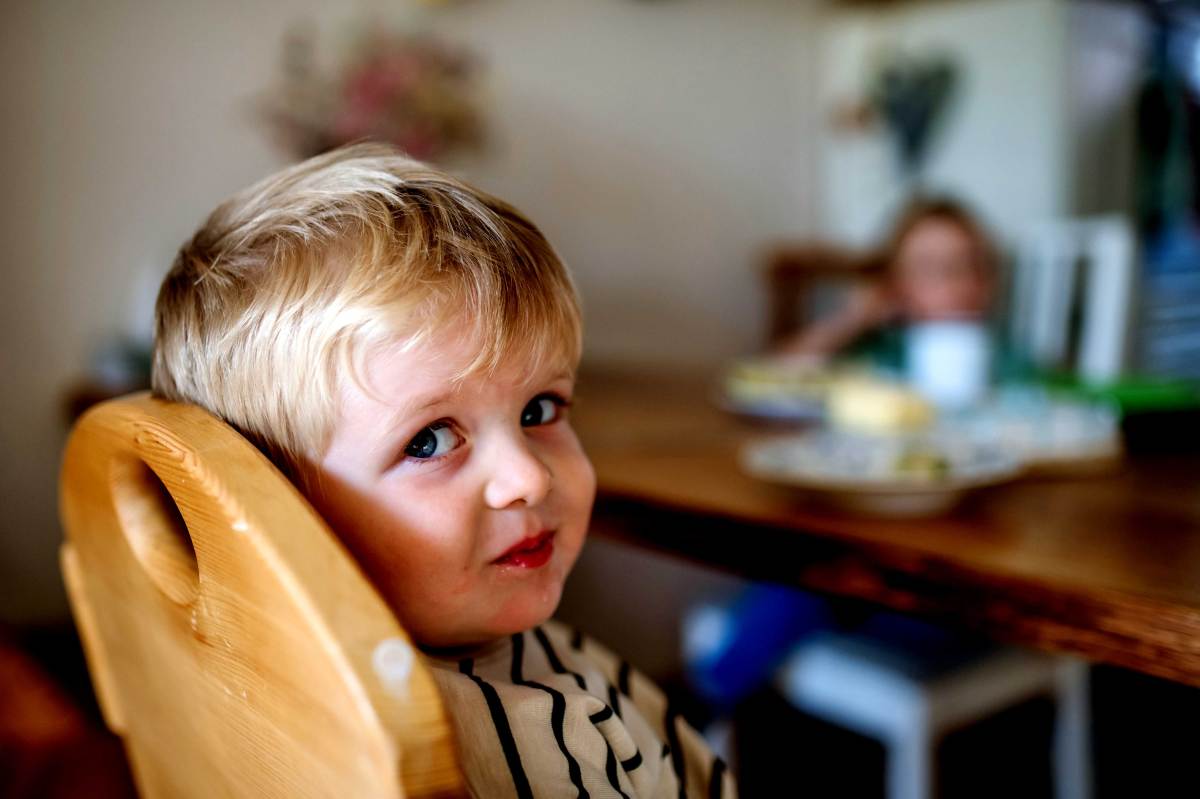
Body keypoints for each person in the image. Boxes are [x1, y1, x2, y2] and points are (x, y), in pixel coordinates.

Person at [151, 143, 735, 799]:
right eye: (429, 441)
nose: (528, 478)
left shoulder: (287, 688)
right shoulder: (522, 748)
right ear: (280, 509)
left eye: (540, 407)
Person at [779, 196, 1000, 374]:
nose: (951, 286)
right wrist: (851, 321)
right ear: (896, 284)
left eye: (962, 266)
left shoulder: (1003, 359)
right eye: (929, 268)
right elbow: (779, 374)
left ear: (985, 284)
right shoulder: (878, 352)